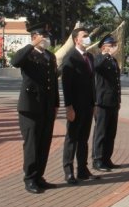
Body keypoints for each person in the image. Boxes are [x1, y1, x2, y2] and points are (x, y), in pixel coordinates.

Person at [10, 25, 59, 194]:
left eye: (47, 36)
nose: (46, 39)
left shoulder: (50, 56)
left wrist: (56, 104)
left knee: (44, 143)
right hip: (30, 106)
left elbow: (53, 82)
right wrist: (31, 45)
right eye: (43, 36)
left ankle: (39, 176)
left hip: (47, 106)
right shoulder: (28, 54)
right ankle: (30, 178)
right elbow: (15, 62)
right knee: (32, 143)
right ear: (34, 37)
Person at [61, 28, 97, 184]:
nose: (88, 38)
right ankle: (68, 171)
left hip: (88, 105)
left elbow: (92, 82)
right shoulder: (70, 57)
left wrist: (94, 103)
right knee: (72, 138)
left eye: (88, 35)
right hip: (75, 106)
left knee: (83, 138)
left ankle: (82, 169)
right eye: (85, 36)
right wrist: (69, 107)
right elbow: (66, 85)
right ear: (77, 40)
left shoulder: (90, 57)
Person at [92, 34, 122, 171]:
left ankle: (106, 158)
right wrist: (106, 54)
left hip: (113, 101)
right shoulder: (99, 58)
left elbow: (117, 83)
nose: (114, 47)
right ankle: (97, 159)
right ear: (104, 47)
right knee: (101, 132)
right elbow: (96, 67)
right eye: (111, 45)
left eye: (115, 45)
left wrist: (118, 100)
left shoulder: (113, 61)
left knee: (111, 132)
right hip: (102, 102)